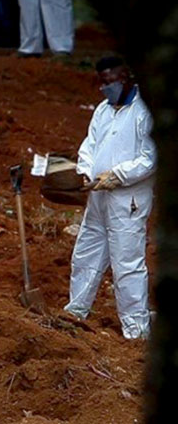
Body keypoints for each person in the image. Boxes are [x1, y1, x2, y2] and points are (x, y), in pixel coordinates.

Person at [65, 56, 155, 339]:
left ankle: (135, 329)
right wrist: (84, 172)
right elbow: (89, 146)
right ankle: (75, 312)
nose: (105, 88)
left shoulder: (144, 112)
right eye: (102, 83)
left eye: (110, 82)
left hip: (127, 201)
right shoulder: (103, 110)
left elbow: (150, 157)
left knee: (127, 264)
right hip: (98, 197)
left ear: (126, 77)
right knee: (85, 254)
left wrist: (118, 175)